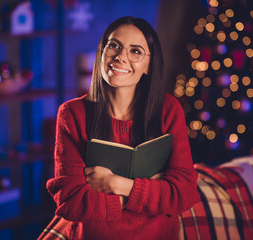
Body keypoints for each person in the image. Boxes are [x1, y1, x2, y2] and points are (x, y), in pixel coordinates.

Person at [43, 16, 200, 240]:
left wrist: (116, 184)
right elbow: (71, 202)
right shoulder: (72, 114)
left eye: (135, 51)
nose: (120, 57)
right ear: (101, 51)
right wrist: (152, 191)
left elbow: (183, 194)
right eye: (114, 46)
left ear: (149, 65)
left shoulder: (168, 110)